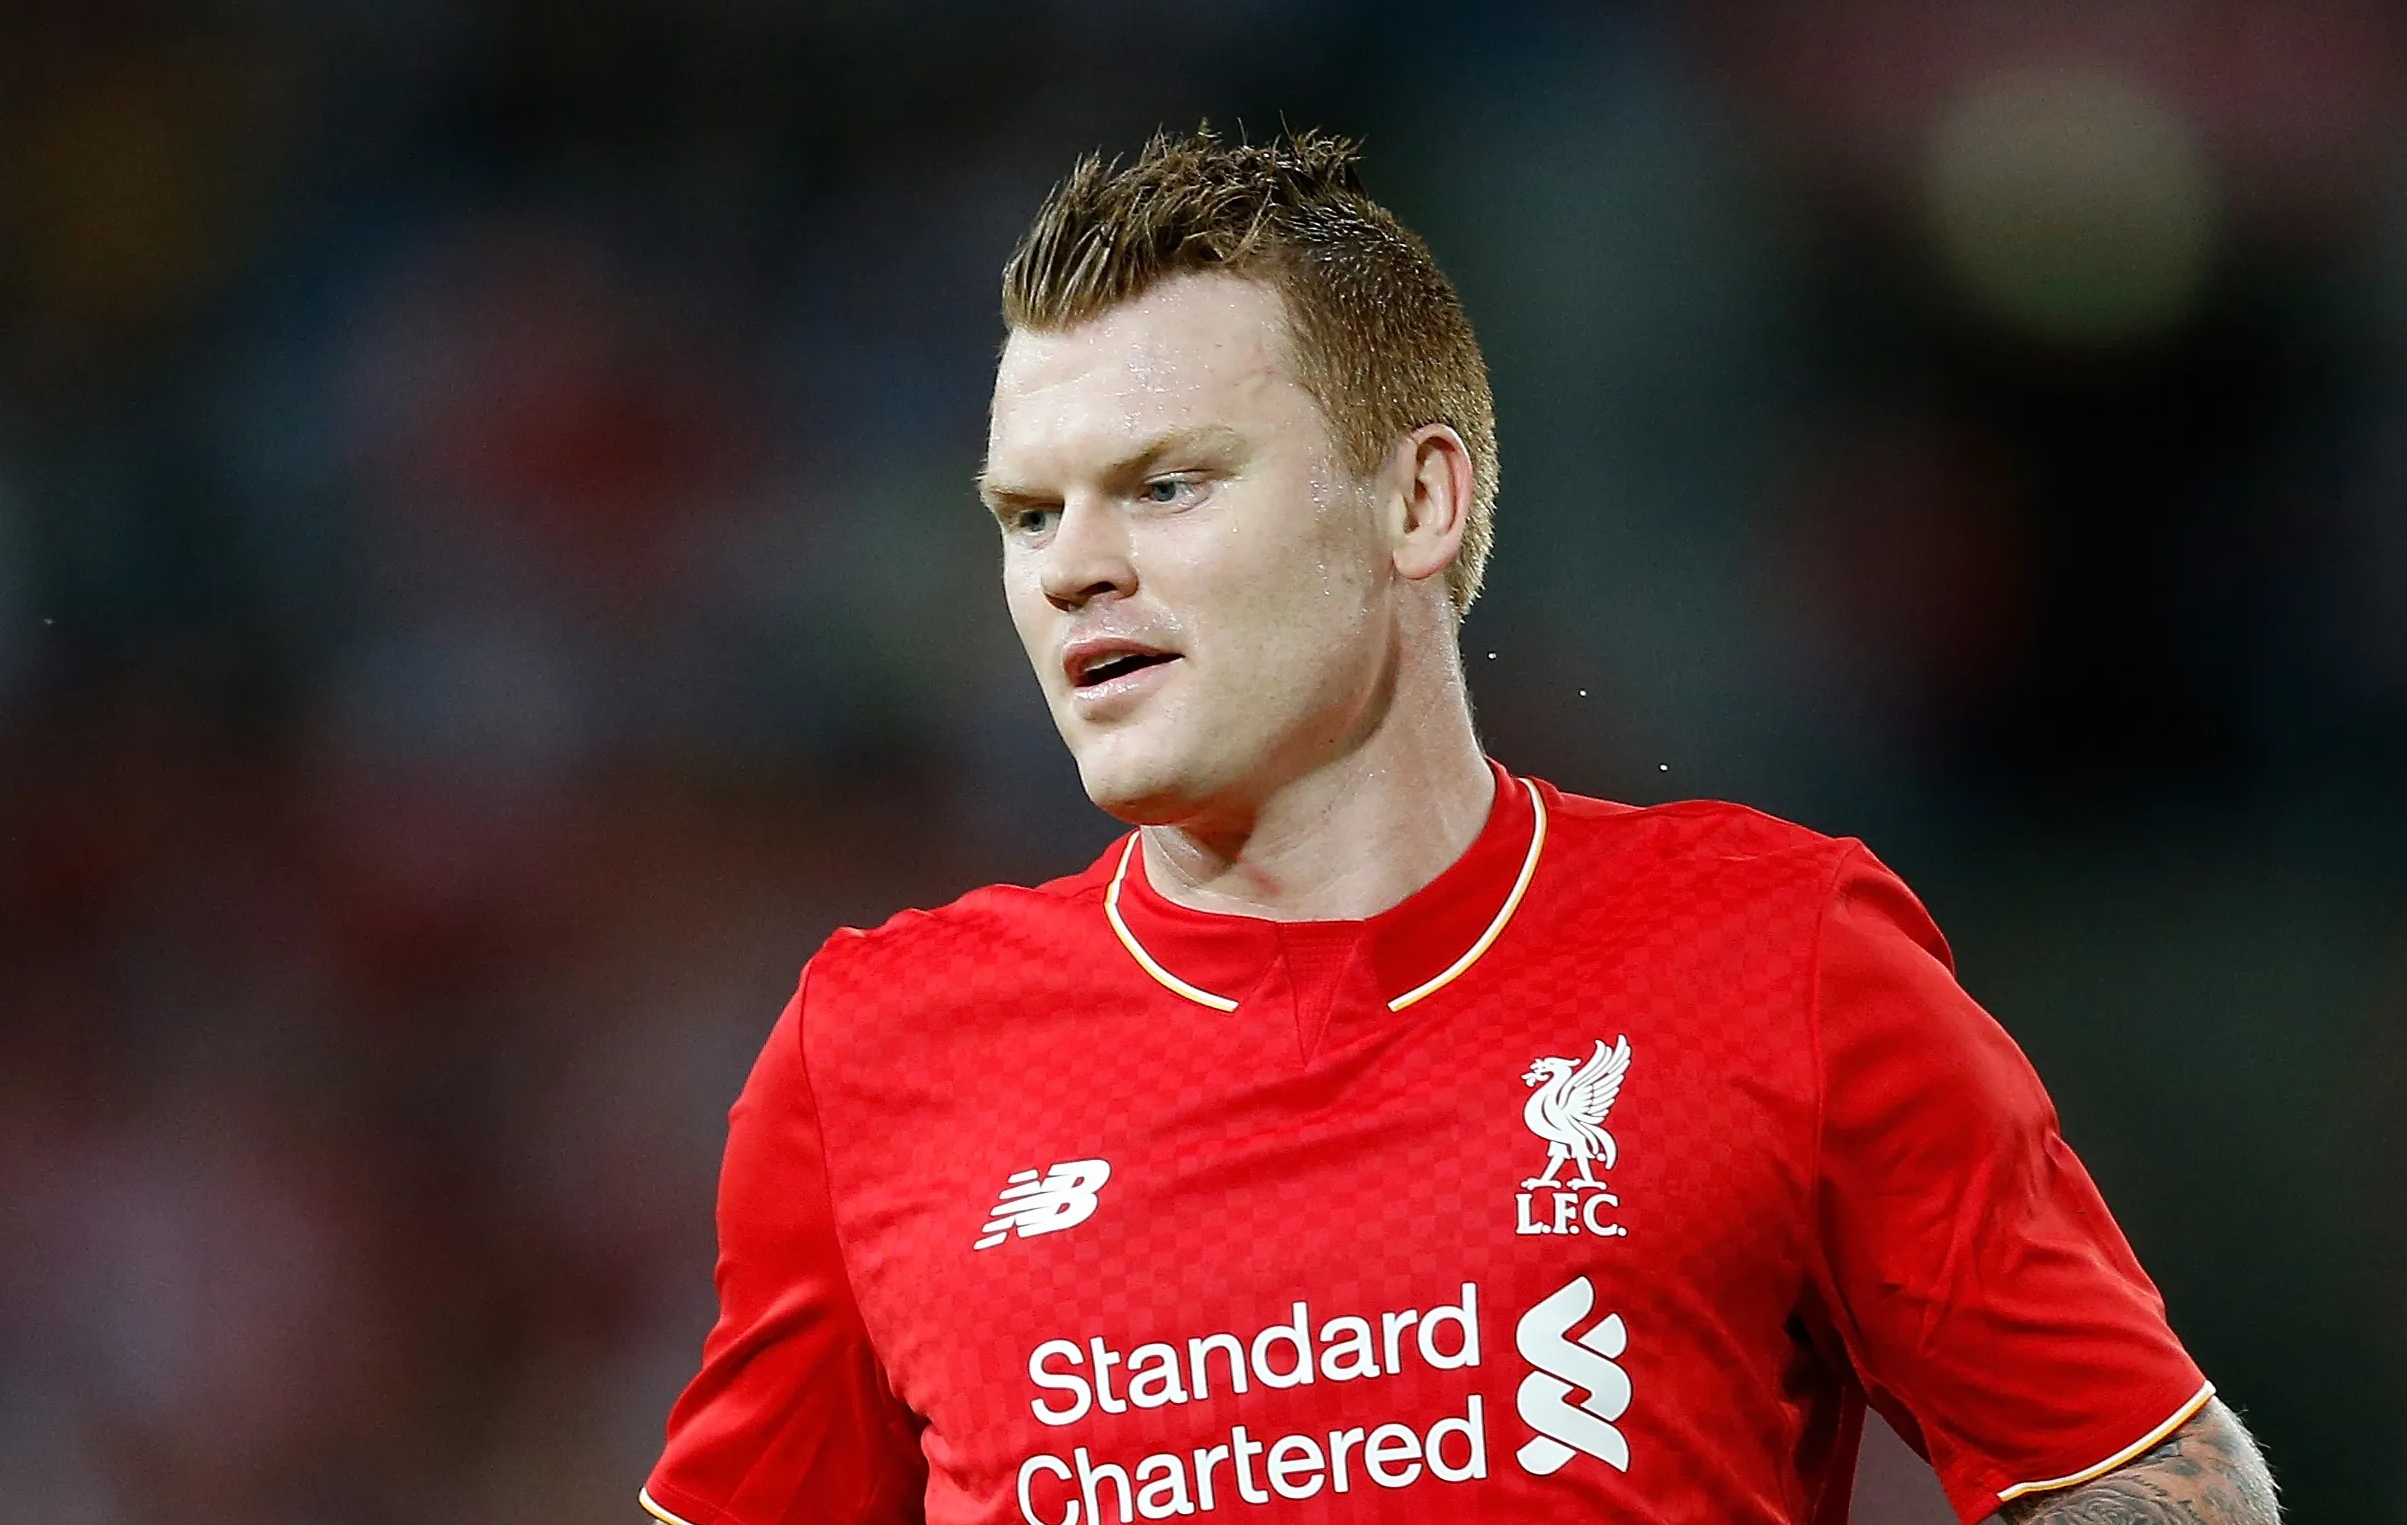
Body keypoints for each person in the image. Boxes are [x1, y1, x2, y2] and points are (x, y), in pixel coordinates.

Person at [639, 129, 2281, 1525]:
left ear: (1418, 503)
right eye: (1026, 513)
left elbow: (2145, 1475)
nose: (1071, 565)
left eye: (1167, 484)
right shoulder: (876, 1051)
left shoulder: (1779, 956)